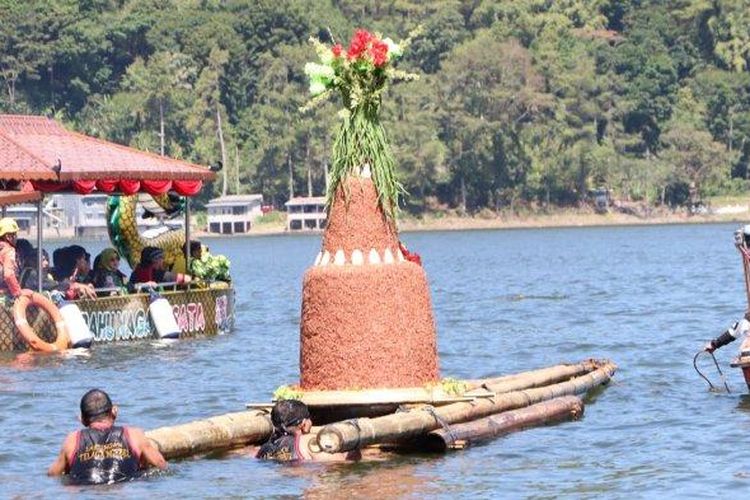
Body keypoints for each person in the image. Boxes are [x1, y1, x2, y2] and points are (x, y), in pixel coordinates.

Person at [48, 389, 167, 485]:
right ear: (114, 412)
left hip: (86, 492)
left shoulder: (73, 439)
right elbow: (161, 464)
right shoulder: (134, 434)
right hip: (126, 488)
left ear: (82, 419)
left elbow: (53, 474)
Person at [256, 400, 360, 462]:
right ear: (304, 424)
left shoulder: (265, 447)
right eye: (309, 418)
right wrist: (354, 449)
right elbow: (339, 463)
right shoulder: (309, 441)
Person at [0, 217, 23, 298]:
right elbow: (8, 274)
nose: (16, 237)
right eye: (15, 234)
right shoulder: (8, 251)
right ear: (8, 236)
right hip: (4, 295)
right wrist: (18, 293)